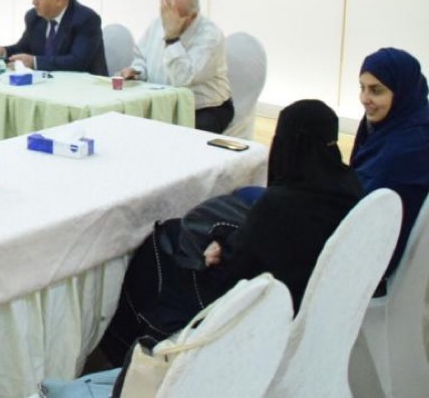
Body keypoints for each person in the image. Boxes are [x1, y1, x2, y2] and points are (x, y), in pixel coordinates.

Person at [98, 99, 362, 366]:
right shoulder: (348, 184)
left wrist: (221, 247)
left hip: (249, 307)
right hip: (303, 298)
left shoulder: (281, 204)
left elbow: (236, 268)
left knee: (161, 244)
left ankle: (127, 349)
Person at [352, 47, 429, 277]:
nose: (365, 99)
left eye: (376, 90)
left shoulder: (404, 151)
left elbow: (361, 208)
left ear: (402, 91)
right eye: (362, 88)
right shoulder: (408, 121)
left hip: (370, 260)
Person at [117, 0, 233, 133]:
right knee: (127, 125)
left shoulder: (210, 36)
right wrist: (137, 71)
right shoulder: (158, 22)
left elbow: (183, 79)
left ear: (192, 17)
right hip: (162, 102)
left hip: (204, 108)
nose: (167, 18)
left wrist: (172, 38)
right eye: (165, 10)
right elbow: (142, 57)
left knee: (176, 137)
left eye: (173, 14)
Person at [0, 0, 107, 75]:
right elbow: (24, 47)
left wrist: (35, 62)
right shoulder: (34, 17)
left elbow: (78, 62)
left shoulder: (86, 19)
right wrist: (3, 51)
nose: (34, 2)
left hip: (84, 88)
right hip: (46, 83)